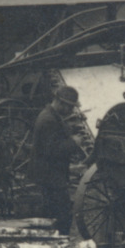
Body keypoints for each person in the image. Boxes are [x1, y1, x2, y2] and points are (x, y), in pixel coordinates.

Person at [30, 86, 82, 235]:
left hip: (50, 175)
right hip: (50, 177)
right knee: (62, 215)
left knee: (51, 215)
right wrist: (74, 142)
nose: (72, 110)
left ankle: (52, 243)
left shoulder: (50, 116)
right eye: (70, 106)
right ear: (60, 102)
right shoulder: (48, 120)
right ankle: (61, 244)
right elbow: (51, 150)